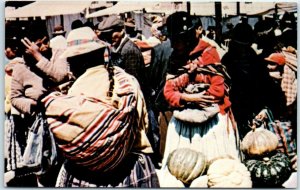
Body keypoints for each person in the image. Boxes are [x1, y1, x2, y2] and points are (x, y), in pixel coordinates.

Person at [39, 27, 159, 187]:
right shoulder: (128, 82)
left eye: (70, 61)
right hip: (132, 169)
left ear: (78, 61)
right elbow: (143, 124)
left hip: (87, 176)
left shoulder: (76, 92)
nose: (69, 66)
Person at [158, 12, 240, 187]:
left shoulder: (209, 53)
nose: (173, 44)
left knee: (213, 174)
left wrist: (184, 93)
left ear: (188, 37)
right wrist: (189, 96)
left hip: (210, 124)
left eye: (177, 39)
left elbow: (217, 91)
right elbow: (168, 92)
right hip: (183, 124)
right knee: (181, 173)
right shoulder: (175, 57)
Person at [97, 15, 160, 167]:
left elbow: (134, 84)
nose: (110, 38)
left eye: (112, 33)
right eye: (106, 35)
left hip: (139, 102)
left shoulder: (129, 50)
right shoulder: (118, 48)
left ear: (121, 30)